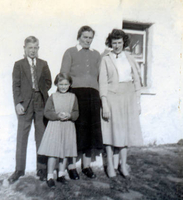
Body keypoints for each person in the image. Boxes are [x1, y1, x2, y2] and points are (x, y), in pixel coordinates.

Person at [99, 29, 143, 181]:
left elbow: (137, 80)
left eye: (119, 42)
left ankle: (123, 164)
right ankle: (110, 165)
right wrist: (104, 102)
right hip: (112, 97)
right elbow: (103, 83)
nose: (117, 45)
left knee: (125, 132)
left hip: (129, 97)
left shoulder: (129, 57)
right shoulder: (106, 59)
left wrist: (138, 101)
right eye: (114, 43)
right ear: (110, 43)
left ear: (124, 43)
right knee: (110, 131)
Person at [60, 25, 103, 180]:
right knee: (75, 131)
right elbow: (64, 76)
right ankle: (71, 167)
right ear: (79, 37)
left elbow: (100, 77)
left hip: (93, 95)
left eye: (90, 38)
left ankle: (86, 166)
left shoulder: (96, 54)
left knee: (90, 132)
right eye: (85, 37)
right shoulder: (70, 52)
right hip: (76, 94)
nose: (88, 40)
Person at [8, 36, 52, 184]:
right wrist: (18, 103)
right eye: (30, 48)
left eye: (35, 48)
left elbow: (48, 81)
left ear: (38, 49)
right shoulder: (19, 65)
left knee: (41, 137)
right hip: (25, 104)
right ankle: (19, 170)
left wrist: (40, 91)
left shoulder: (43, 64)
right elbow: (16, 85)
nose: (32, 51)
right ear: (25, 49)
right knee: (22, 137)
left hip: (40, 103)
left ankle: (42, 169)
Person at [38, 73, 79, 188]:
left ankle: (61, 174)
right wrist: (57, 115)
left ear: (70, 84)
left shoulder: (73, 97)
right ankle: (50, 176)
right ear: (56, 84)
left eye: (66, 84)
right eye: (61, 84)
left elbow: (76, 113)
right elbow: (47, 112)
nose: (63, 87)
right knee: (53, 152)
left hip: (68, 127)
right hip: (55, 126)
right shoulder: (53, 97)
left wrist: (69, 115)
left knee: (65, 152)